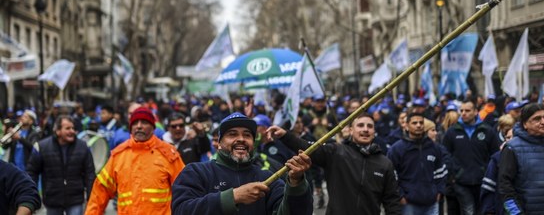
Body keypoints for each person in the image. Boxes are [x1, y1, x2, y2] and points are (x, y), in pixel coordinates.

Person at [171, 112, 314, 214]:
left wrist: (296, 184)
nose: (241, 139)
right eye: (232, 134)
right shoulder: (196, 172)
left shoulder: (267, 178)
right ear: (219, 143)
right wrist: (232, 197)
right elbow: (181, 210)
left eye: (247, 135)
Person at [268, 112, 401, 215]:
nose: (365, 129)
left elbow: (392, 201)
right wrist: (285, 136)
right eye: (360, 125)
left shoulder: (385, 163)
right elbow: (310, 148)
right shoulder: (336, 152)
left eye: (370, 126)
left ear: (374, 132)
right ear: (351, 130)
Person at [85, 107, 185, 214]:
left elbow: (185, 190)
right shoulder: (118, 156)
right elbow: (100, 192)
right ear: (130, 127)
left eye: (144, 122)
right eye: (135, 123)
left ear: (153, 127)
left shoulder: (169, 154)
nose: (139, 126)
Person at [27, 115, 95, 215]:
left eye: (73, 128)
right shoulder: (42, 147)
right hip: (52, 199)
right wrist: (31, 197)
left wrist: (91, 197)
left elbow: (90, 174)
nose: (72, 131)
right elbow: (32, 172)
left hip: (75, 199)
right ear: (58, 131)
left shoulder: (83, 147)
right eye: (67, 128)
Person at [443, 99, 500, 215]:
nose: (463, 113)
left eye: (467, 110)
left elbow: (495, 154)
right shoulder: (452, 132)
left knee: (482, 210)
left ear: (475, 112)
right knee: (468, 211)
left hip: (483, 181)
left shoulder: (487, 131)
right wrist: (453, 175)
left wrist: (489, 172)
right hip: (460, 181)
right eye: (462, 110)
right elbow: (445, 154)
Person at [388, 112, 447, 215]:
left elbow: (440, 171)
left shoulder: (433, 147)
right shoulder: (397, 149)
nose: (418, 125)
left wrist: (439, 192)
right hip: (408, 204)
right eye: (414, 123)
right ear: (406, 126)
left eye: (421, 122)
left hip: (432, 203)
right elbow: (391, 175)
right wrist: (401, 196)